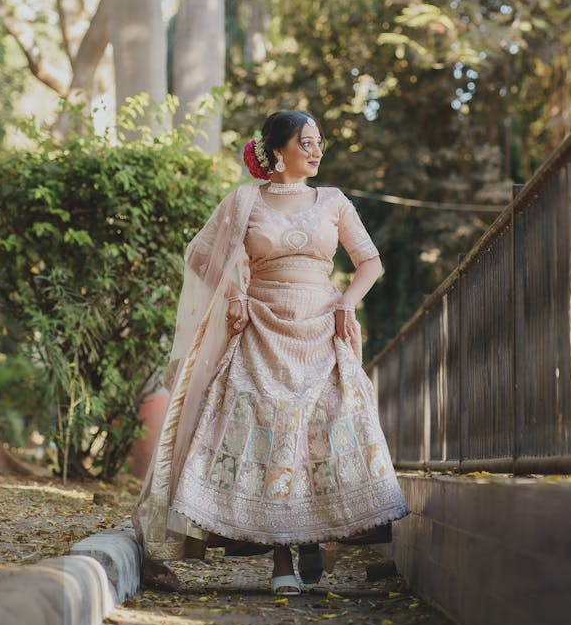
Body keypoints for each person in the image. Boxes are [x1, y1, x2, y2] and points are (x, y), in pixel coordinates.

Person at [133, 110, 408, 595]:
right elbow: (200, 253)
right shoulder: (244, 202)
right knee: (269, 431)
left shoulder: (333, 201)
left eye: (319, 142)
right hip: (261, 327)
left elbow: (370, 261)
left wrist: (347, 302)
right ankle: (281, 559)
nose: (317, 151)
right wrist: (236, 293)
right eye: (307, 142)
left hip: (322, 329)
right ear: (278, 151)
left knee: (320, 428)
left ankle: (313, 539)